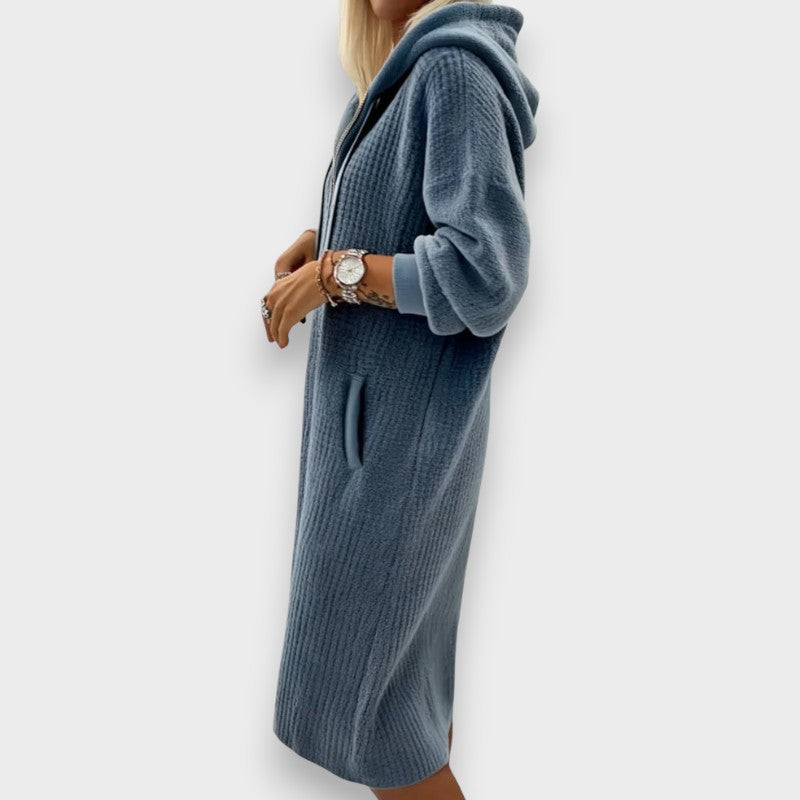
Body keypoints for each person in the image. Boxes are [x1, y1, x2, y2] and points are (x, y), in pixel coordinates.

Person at [262, 1, 538, 797]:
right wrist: (327, 238)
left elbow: (485, 274)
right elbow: (417, 225)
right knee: (398, 703)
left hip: (396, 457)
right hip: (381, 444)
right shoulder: (407, 71)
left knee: (378, 722)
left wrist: (336, 275)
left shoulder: (453, 69)